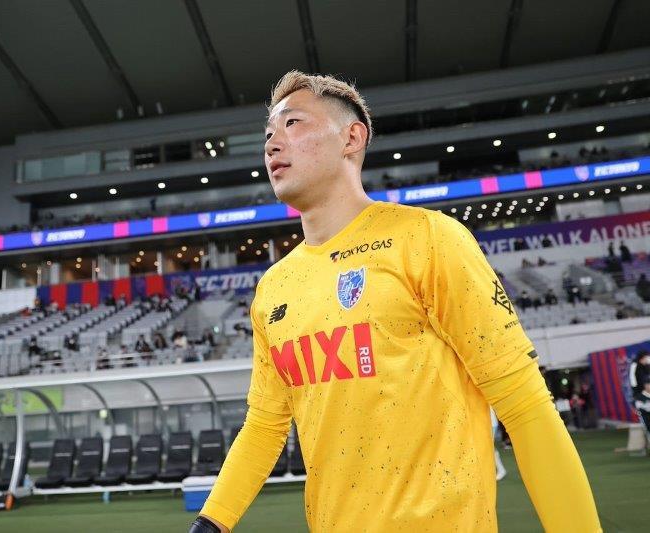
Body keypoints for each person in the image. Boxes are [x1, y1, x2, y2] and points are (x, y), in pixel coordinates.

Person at [191, 71, 600, 533]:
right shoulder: (274, 288)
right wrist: (211, 522)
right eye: (268, 134)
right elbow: (265, 426)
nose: (272, 143)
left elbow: (524, 406)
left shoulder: (427, 238)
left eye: (293, 123)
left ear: (352, 138)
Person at [629, 351, 650, 437]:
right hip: (640, 396)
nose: (647, 359)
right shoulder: (635, 366)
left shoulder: (646, 366)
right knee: (646, 420)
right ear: (642, 358)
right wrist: (637, 394)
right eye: (646, 358)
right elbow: (633, 381)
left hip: (645, 395)